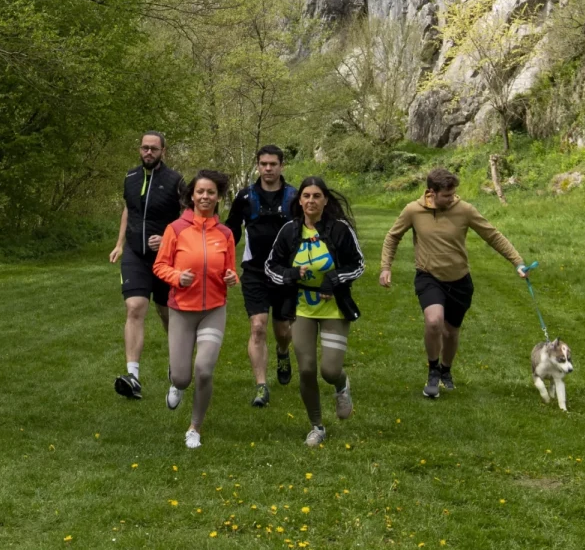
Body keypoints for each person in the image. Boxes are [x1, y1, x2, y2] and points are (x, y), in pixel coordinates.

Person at [379, 166, 529, 399]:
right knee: (434, 321)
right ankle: (433, 371)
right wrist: (385, 267)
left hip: (459, 280)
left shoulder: (465, 210)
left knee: (450, 332)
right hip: (428, 276)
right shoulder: (413, 211)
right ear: (431, 192)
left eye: (453, 194)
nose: (451, 199)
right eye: (446, 195)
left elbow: (493, 235)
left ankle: (446, 370)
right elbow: (392, 237)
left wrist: (517, 262)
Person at [265, 176, 364, 447]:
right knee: (307, 370)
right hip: (302, 307)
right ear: (300, 201)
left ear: (325, 200)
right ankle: (317, 426)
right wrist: (292, 274)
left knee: (329, 370)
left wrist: (333, 279)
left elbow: (358, 265)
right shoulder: (289, 231)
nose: (311, 200)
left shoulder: (340, 230)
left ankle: (341, 385)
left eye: (316, 196)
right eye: (306, 196)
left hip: (334, 309)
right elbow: (271, 266)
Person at [153, 170, 238, 449]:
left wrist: (231, 278)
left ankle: (194, 428)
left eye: (210, 192)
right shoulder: (175, 229)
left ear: (218, 197)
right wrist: (178, 278)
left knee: (204, 369)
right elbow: (160, 266)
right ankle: (175, 381)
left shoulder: (225, 234)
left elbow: (230, 271)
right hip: (181, 310)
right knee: (183, 376)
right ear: (192, 195)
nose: (205, 196)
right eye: (200, 191)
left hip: (213, 309)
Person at [109, 131, 184, 400]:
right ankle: (133, 376)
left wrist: (167, 239)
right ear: (139, 150)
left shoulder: (175, 181)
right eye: (144, 148)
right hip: (134, 253)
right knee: (134, 307)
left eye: (154, 148)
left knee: (166, 312)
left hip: (166, 258)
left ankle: (177, 365)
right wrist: (119, 243)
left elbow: (187, 217)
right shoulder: (130, 177)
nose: (148, 152)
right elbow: (129, 210)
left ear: (163, 150)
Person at [226, 145, 296, 408]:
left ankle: (282, 352)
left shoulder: (294, 197)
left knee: (282, 328)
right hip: (254, 272)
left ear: (281, 166)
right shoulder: (245, 197)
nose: (268, 169)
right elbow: (230, 233)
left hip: (285, 273)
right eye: (264, 164)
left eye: (273, 164)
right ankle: (261, 386)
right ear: (257, 165)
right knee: (257, 326)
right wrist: (222, 262)